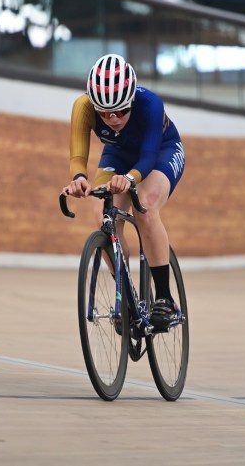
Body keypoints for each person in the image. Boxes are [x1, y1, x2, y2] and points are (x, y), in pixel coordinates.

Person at [61, 53, 185, 330]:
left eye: (120, 111)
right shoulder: (83, 107)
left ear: (131, 100)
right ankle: (126, 294)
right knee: (103, 217)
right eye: (105, 113)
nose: (113, 118)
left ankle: (165, 298)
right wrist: (79, 179)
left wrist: (129, 179)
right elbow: (78, 158)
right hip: (118, 153)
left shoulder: (150, 104)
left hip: (161, 152)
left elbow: (148, 156)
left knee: (145, 205)